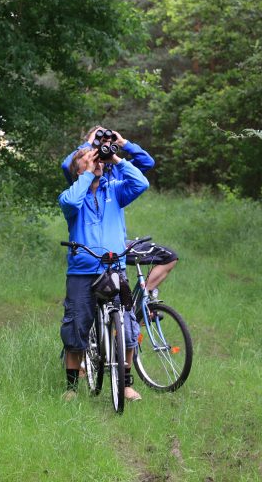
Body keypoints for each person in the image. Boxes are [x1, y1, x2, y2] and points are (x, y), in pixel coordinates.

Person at [59, 144, 149, 402]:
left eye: (98, 160)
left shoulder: (115, 190)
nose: (96, 162)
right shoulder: (72, 196)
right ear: (78, 170)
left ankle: (126, 383)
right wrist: (87, 173)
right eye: (89, 160)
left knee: (128, 327)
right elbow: (70, 202)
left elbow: (141, 183)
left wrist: (116, 159)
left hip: (114, 268)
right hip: (82, 272)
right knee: (75, 327)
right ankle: (71, 387)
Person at [62, 127, 178, 300]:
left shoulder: (115, 171)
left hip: (116, 245)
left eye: (106, 141)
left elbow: (147, 163)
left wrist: (123, 144)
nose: (101, 148)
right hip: (89, 254)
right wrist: (89, 145)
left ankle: (143, 298)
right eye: (99, 140)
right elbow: (67, 165)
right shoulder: (79, 181)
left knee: (169, 256)